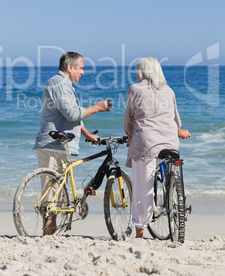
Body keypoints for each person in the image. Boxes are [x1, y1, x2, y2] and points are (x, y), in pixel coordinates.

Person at [34, 51, 112, 235]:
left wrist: (87, 134)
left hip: (60, 144)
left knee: (59, 194)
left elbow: (71, 115)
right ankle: (47, 235)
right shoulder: (59, 83)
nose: (83, 73)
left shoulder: (63, 84)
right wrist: (97, 108)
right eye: (81, 68)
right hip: (52, 144)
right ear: (70, 67)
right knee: (51, 194)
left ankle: (52, 234)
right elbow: (72, 114)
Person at [124, 57, 191, 239]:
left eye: (138, 71)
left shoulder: (134, 89)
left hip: (146, 144)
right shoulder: (168, 90)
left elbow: (129, 120)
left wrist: (130, 135)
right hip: (170, 142)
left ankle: (139, 231)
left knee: (141, 187)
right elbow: (176, 120)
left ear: (142, 73)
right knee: (163, 167)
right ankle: (163, 199)